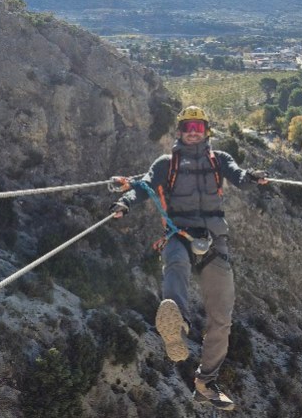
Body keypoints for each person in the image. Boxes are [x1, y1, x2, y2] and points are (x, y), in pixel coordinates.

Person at [110, 106, 267, 411]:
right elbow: (143, 187)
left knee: (222, 319)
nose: (193, 130)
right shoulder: (166, 163)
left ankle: (205, 383)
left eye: (198, 125)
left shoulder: (219, 160)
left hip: (213, 240)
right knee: (176, 264)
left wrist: (253, 177)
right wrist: (124, 203)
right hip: (177, 233)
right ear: (179, 131)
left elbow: (239, 176)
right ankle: (176, 323)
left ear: (206, 131)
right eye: (187, 126)